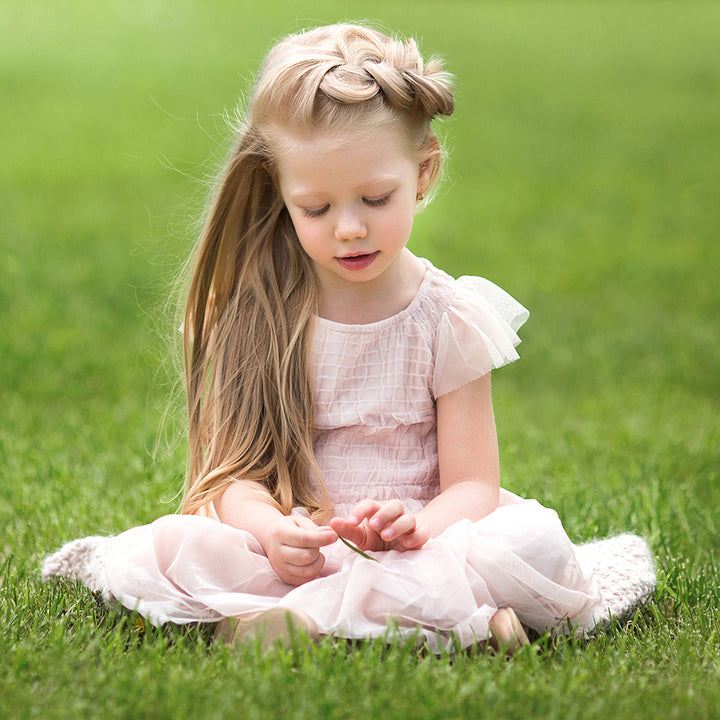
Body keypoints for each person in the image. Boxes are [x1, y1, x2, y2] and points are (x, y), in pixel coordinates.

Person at [42, 23, 655, 653]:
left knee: (521, 542)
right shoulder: (259, 315)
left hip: (419, 537)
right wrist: (274, 532)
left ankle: (475, 619)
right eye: (317, 208)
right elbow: (233, 478)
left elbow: (474, 483)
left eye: (375, 197)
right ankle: (343, 623)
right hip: (305, 537)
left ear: (423, 173)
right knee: (194, 544)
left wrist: (417, 526)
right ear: (280, 196)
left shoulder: (449, 317)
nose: (350, 228)